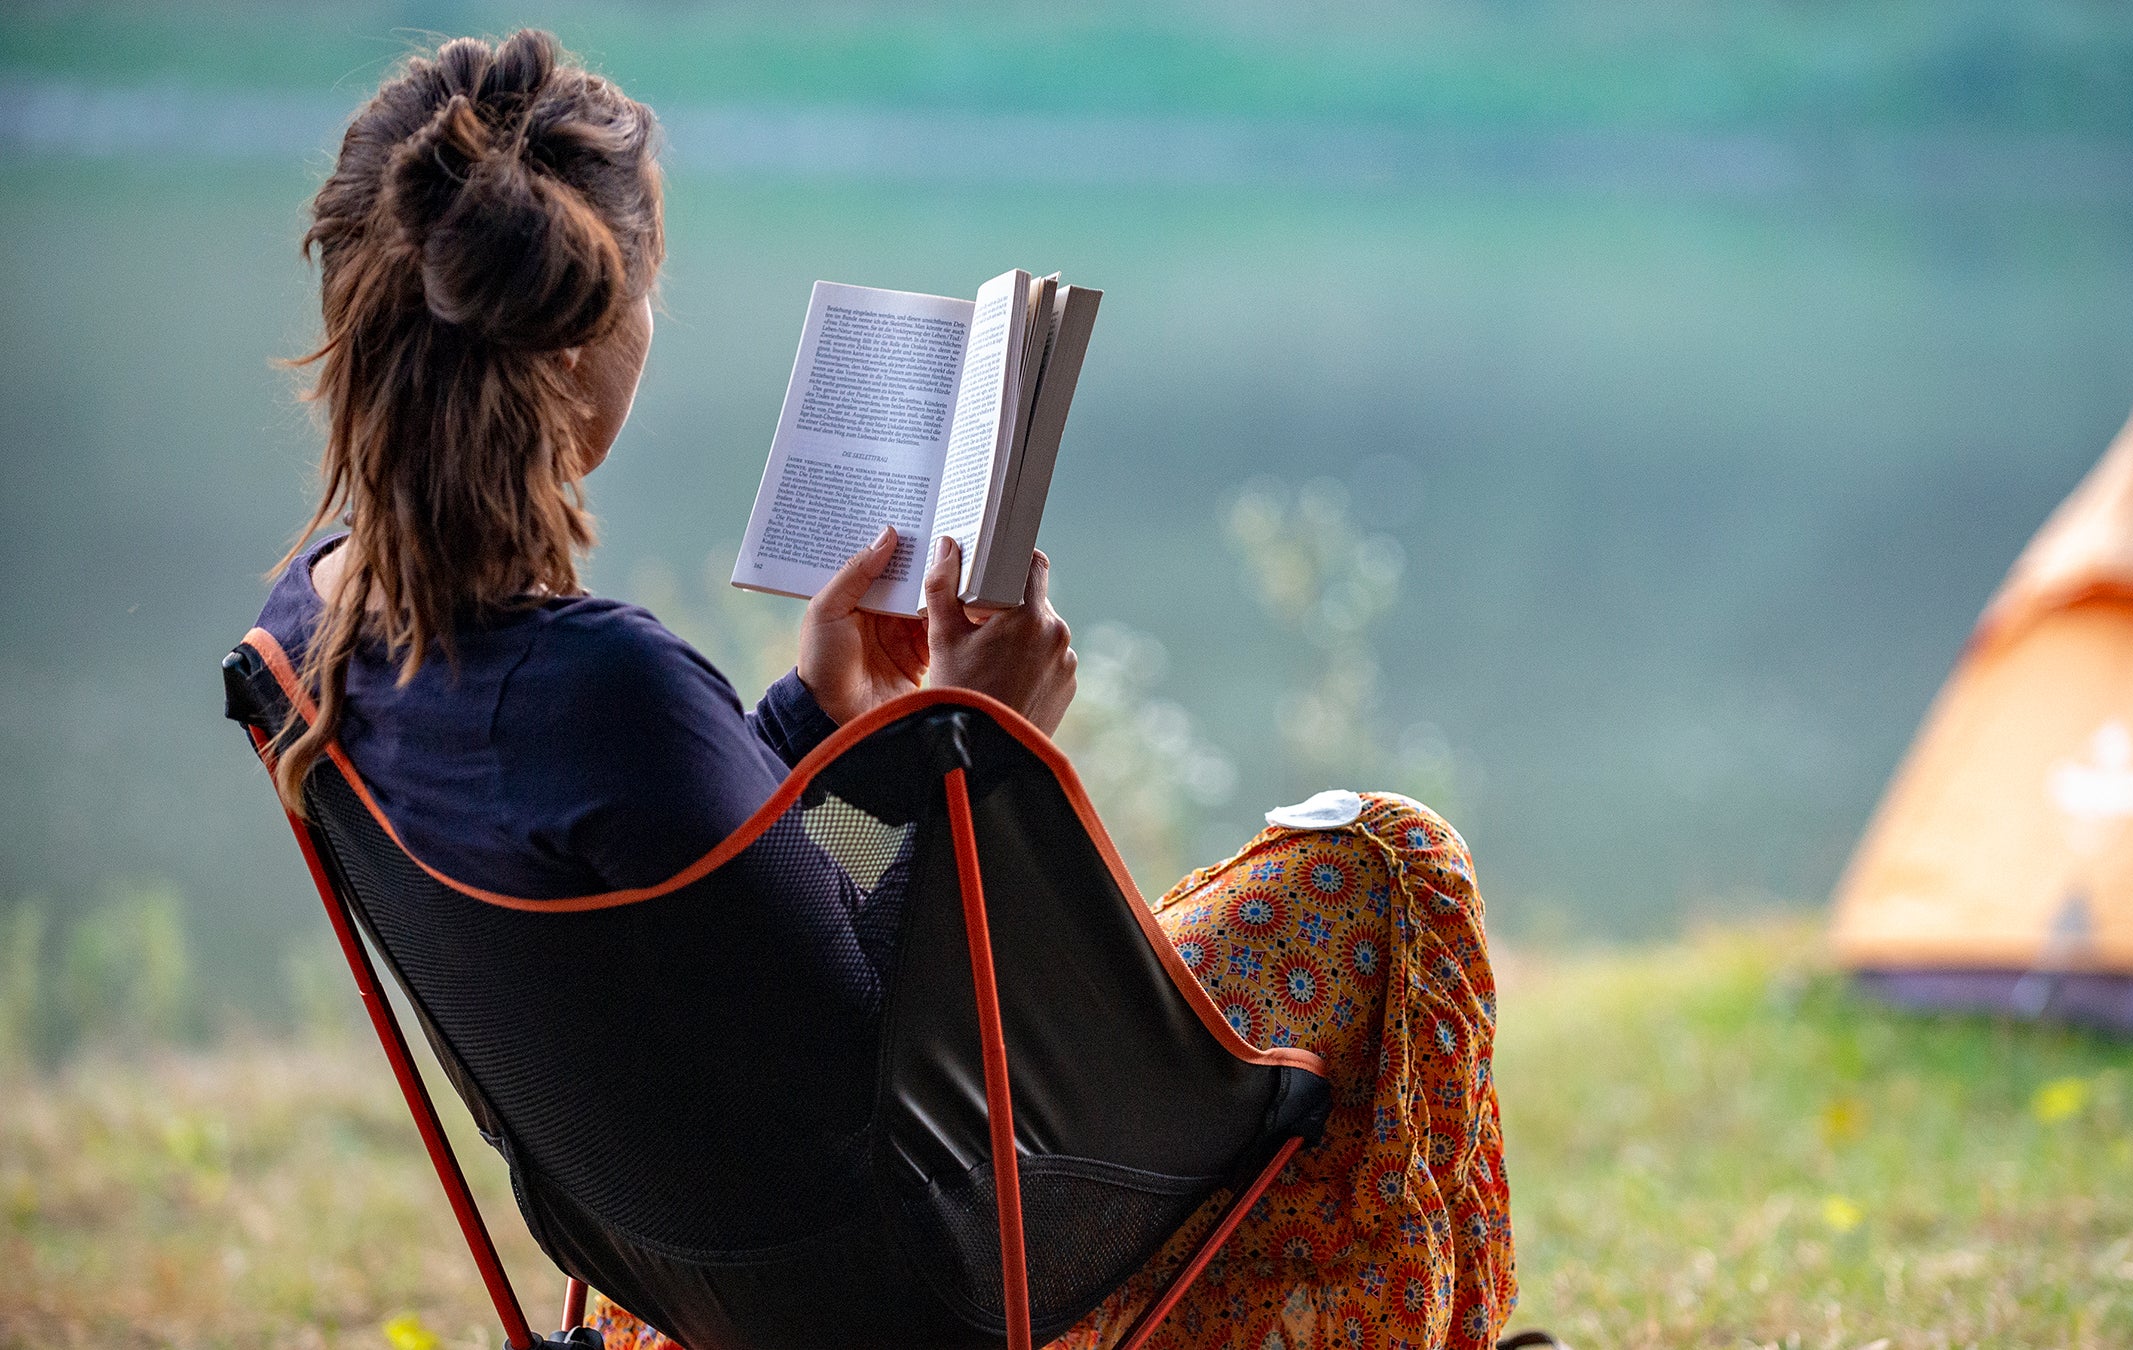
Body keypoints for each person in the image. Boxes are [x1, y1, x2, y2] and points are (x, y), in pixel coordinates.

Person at [261, 30, 1514, 1350]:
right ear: (582, 338)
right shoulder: (612, 687)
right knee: (1389, 861)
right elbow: (902, 1042)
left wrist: (822, 723)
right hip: (918, 1269)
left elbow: (741, 940)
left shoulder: (318, 641)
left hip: (679, 1265)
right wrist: (979, 749)